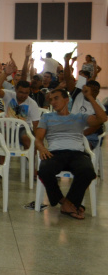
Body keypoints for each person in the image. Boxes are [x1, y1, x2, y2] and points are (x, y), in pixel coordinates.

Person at [35, 88, 106, 220]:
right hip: (55, 153)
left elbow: (102, 118)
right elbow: (38, 139)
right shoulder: (47, 117)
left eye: (56, 98)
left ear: (66, 100)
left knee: (88, 172)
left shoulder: (79, 117)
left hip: (77, 154)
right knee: (44, 171)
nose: (53, 102)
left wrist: (90, 98)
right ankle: (65, 202)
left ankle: (70, 203)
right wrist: (42, 149)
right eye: (51, 99)